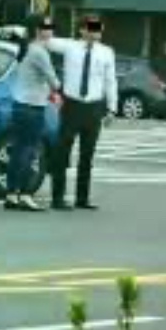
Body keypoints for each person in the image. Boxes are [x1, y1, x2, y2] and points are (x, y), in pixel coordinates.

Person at [47, 15, 118, 211]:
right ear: (82, 30)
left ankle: (82, 198)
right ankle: (58, 197)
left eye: (98, 28)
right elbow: (46, 41)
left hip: (93, 107)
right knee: (62, 151)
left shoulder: (106, 52)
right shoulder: (70, 47)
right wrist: (40, 25)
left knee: (87, 154)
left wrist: (112, 108)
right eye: (92, 28)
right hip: (72, 105)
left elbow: (110, 81)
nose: (97, 32)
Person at [4, 15, 62, 213]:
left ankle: (11, 194)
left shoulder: (25, 48)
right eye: (47, 27)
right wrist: (57, 89)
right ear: (38, 30)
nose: (51, 30)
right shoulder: (39, 52)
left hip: (19, 105)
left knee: (18, 150)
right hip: (33, 107)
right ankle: (26, 194)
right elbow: (54, 81)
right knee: (30, 151)